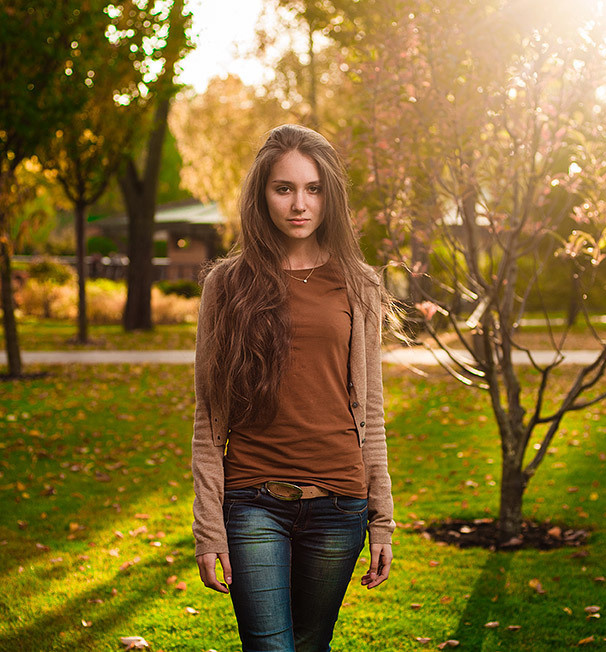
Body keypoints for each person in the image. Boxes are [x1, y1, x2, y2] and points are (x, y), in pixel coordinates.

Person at [191, 124, 395, 652]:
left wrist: (383, 520)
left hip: (340, 503)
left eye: (314, 188)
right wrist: (208, 528)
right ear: (262, 195)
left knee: (309, 645)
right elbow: (209, 420)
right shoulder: (227, 285)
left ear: (331, 195)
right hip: (254, 498)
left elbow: (370, 410)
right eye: (283, 188)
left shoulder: (360, 283)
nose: (299, 204)